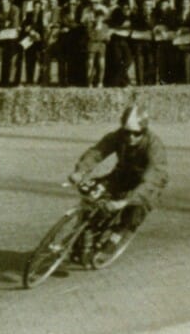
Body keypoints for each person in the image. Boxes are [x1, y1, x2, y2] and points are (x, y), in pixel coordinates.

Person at [67, 104, 169, 257]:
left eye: (137, 133)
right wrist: (80, 171)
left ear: (144, 131)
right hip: (121, 176)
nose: (131, 137)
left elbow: (153, 177)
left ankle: (116, 238)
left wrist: (125, 202)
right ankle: (85, 233)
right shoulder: (117, 136)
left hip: (147, 184)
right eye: (127, 132)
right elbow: (97, 152)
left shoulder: (154, 146)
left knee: (133, 215)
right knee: (92, 195)